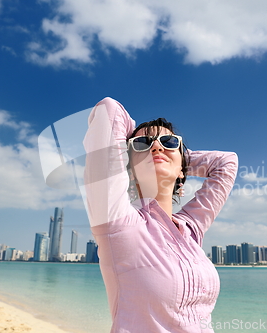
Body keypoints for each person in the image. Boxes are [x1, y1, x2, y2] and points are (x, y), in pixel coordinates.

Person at [83, 97, 238, 333]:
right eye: (142, 143)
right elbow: (108, 110)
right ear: (128, 168)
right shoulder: (119, 224)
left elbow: (227, 163)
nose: (156, 146)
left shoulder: (191, 231)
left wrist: (179, 162)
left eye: (168, 141)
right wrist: (158, 154)